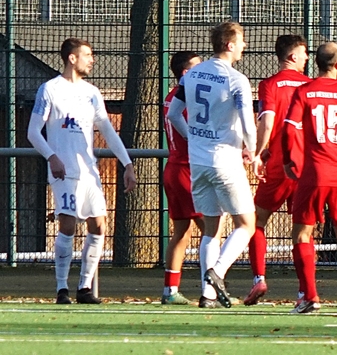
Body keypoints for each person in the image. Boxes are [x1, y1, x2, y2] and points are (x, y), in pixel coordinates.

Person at [27, 38, 138, 304]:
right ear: (72, 58)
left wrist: (127, 163)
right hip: (64, 170)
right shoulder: (50, 89)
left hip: (89, 171)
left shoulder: (92, 92)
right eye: (87, 55)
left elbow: (107, 130)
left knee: (99, 225)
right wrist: (52, 157)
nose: (92, 59)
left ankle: (85, 288)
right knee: (67, 224)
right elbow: (33, 132)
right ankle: (62, 289)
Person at [167, 21, 259, 309]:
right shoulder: (236, 80)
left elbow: (173, 114)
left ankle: (208, 296)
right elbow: (248, 125)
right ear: (230, 45)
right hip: (225, 160)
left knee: (211, 228)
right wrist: (253, 151)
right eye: (241, 41)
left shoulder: (191, 75)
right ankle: (217, 272)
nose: (244, 46)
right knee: (247, 224)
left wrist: (193, 137)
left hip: (198, 162)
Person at [283, 41, 337, 314]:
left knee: (302, 234)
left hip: (313, 173)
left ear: (316, 63)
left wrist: (288, 161)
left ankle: (311, 297)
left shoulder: (304, 92)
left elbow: (289, 130)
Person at [244, 34, 310, 306]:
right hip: (307, 167)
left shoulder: (269, 85)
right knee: (303, 231)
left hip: (279, 166)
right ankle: (305, 291)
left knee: (256, 221)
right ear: (293, 56)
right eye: (304, 53)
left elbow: (268, 122)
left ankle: (259, 278)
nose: (307, 58)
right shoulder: (310, 85)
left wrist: (259, 152)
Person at [161, 50, 205, 305]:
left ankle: (170, 290)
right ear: (186, 73)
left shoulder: (172, 97)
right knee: (211, 230)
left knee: (182, 232)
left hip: (174, 168)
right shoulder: (188, 99)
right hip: (188, 170)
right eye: (198, 67)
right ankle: (212, 290)